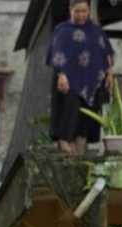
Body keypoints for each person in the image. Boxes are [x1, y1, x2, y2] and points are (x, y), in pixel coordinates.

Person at [48, 0, 115, 154]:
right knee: (70, 113)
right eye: (77, 11)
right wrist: (61, 74)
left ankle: (80, 152)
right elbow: (57, 54)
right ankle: (65, 145)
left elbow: (106, 52)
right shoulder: (62, 30)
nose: (81, 15)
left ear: (89, 11)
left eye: (84, 11)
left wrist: (109, 73)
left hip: (91, 82)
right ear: (70, 10)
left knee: (85, 118)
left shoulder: (95, 31)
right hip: (69, 81)